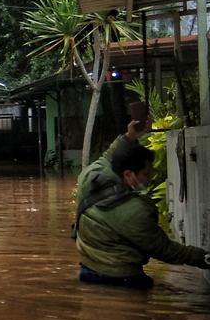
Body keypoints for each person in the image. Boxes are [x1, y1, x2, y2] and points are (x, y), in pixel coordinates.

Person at [73, 120, 210, 288]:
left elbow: (109, 156)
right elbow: (165, 250)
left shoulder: (89, 176)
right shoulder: (136, 212)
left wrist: (129, 136)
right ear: (128, 175)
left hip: (87, 268)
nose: (151, 177)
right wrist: (203, 258)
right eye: (146, 174)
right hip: (121, 276)